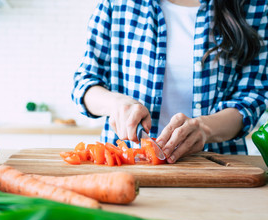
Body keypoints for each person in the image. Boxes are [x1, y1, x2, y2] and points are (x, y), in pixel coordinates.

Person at [72, 0, 268, 163]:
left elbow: (252, 97)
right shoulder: (116, 4)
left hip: (219, 165)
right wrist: (115, 104)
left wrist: (205, 128)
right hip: (127, 165)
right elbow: (85, 82)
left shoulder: (254, 6)